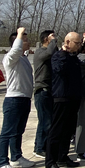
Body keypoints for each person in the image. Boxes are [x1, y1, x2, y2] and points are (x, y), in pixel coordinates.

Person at [0, 27, 36, 168]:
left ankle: (16, 157)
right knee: (7, 132)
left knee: (18, 131)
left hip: (25, 98)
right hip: (13, 99)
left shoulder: (23, 58)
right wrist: (19, 33)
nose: (28, 42)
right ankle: (2, 163)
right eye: (25, 40)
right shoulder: (10, 58)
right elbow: (16, 50)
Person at [45, 32, 84, 168]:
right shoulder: (58, 56)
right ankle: (50, 163)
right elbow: (59, 70)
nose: (79, 46)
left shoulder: (73, 58)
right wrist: (63, 52)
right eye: (77, 43)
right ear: (67, 42)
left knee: (68, 130)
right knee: (56, 131)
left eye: (80, 43)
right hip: (61, 97)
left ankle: (62, 156)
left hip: (73, 98)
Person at [32, 30, 57, 158]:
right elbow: (49, 53)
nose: (55, 39)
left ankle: (42, 145)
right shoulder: (40, 52)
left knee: (48, 120)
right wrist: (53, 41)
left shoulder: (51, 52)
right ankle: (40, 148)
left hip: (50, 90)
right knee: (45, 121)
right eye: (52, 37)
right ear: (46, 39)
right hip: (42, 91)